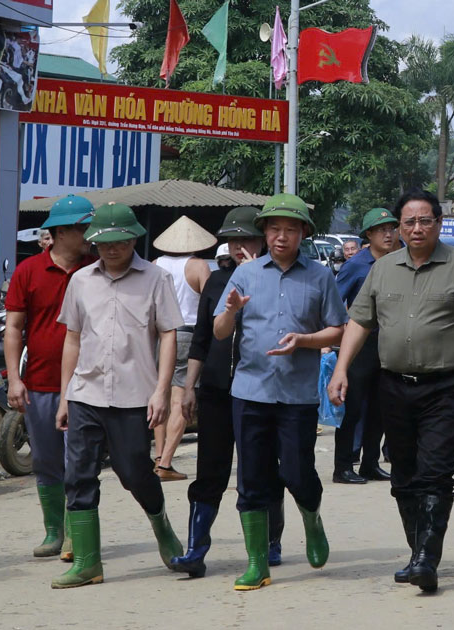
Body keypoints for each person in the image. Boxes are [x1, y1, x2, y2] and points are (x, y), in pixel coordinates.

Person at [328, 189, 454, 594]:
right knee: (403, 476)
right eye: (409, 222)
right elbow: (359, 322)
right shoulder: (383, 269)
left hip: (446, 386)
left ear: (439, 223)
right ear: (399, 228)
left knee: (436, 473)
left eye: (425, 220)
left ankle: (427, 559)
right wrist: (340, 369)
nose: (417, 228)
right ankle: (417, 551)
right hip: (394, 386)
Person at [213, 193, 348, 591]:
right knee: (251, 478)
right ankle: (257, 563)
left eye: (290, 229)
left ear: (303, 233)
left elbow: (337, 330)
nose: (281, 236)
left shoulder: (320, 276)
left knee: (296, 471)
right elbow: (221, 332)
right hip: (250, 390)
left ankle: (312, 518)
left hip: (297, 395)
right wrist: (232, 310)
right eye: (274, 229)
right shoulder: (246, 275)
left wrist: (304, 341)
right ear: (264, 233)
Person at [52, 202, 186, 589]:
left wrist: (162, 391)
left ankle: (161, 524)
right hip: (85, 393)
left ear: (134, 239)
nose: (112, 250)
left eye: (120, 243)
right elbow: (73, 339)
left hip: (133, 396)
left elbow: (168, 335)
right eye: (104, 243)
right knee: (78, 475)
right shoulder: (81, 281)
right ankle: (88, 563)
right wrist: (65, 397)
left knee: (134, 472)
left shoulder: (156, 279)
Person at [170, 206, 286, 577]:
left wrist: (255, 278)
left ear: (263, 240)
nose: (240, 247)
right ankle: (196, 549)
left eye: (247, 239)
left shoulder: (276, 279)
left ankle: (269, 541)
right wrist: (189, 387)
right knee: (211, 472)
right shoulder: (217, 283)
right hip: (218, 391)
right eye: (234, 240)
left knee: (262, 471)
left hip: (261, 392)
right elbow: (202, 339)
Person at [4, 195, 96, 562]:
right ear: (60, 232)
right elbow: (13, 328)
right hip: (41, 381)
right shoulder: (29, 272)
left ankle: (77, 533)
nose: (90, 234)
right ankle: (54, 530)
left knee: (81, 460)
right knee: (45, 460)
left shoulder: (96, 268)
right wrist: (14, 378)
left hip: (88, 383)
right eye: (83, 228)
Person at [331, 208, 400, 484]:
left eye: (391, 228)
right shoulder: (356, 265)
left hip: (391, 343)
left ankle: (370, 463)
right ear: (368, 235)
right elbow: (336, 302)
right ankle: (343, 466)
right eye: (381, 230)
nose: (388, 234)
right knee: (353, 408)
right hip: (362, 342)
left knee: (381, 408)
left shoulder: (400, 261)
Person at [152, 216, 215, 481]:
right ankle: (166, 462)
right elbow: (211, 303)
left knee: (161, 396)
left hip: (159, 335)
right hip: (187, 334)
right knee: (179, 399)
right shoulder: (198, 266)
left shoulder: (155, 265)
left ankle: (158, 456)